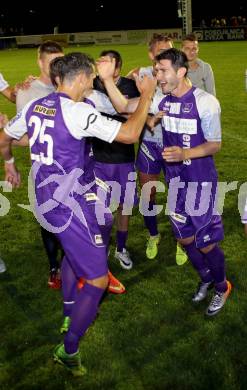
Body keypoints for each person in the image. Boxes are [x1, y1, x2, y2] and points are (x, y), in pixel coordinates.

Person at [0, 52, 156, 375]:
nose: (92, 82)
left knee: (81, 246)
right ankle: (69, 348)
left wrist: (10, 163)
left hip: (49, 195)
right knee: (97, 280)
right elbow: (129, 134)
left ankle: (70, 310)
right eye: (91, 77)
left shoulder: (34, 106)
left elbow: (5, 137)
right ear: (82, 78)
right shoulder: (76, 112)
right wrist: (148, 96)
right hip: (68, 203)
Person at [153, 48, 230, 316]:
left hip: (200, 182)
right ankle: (206, 277)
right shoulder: (163, 100)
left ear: (181, 71)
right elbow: (129, 109)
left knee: (205, 241)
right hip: (174, 181)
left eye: (163, 70)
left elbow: (215, 144)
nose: (158, 76)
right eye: (156, 70)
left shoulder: (205, 102)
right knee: (184, 238)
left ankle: (221, 286)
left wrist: (185, 153)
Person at [16, 40, 65, 288]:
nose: (57, 66)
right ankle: (54, 265)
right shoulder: (27, 92)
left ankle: (71, 264)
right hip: (44, 171)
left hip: (72, 168)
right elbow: (22, 138)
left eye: (60, 61)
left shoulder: (69, 86)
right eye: (52, 62)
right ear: (39, 62)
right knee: (48, 223)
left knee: (74, 221)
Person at [92, 50, 140, 270]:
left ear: (117, 67)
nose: (101, 65)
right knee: (100, 209)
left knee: (124, 206)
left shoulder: (130, 86)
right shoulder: (90, 83)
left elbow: (128, 113)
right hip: (97, 158)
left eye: (107, 62)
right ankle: (100, 251)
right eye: (100, 61)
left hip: (123, 158)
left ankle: (120, 248)